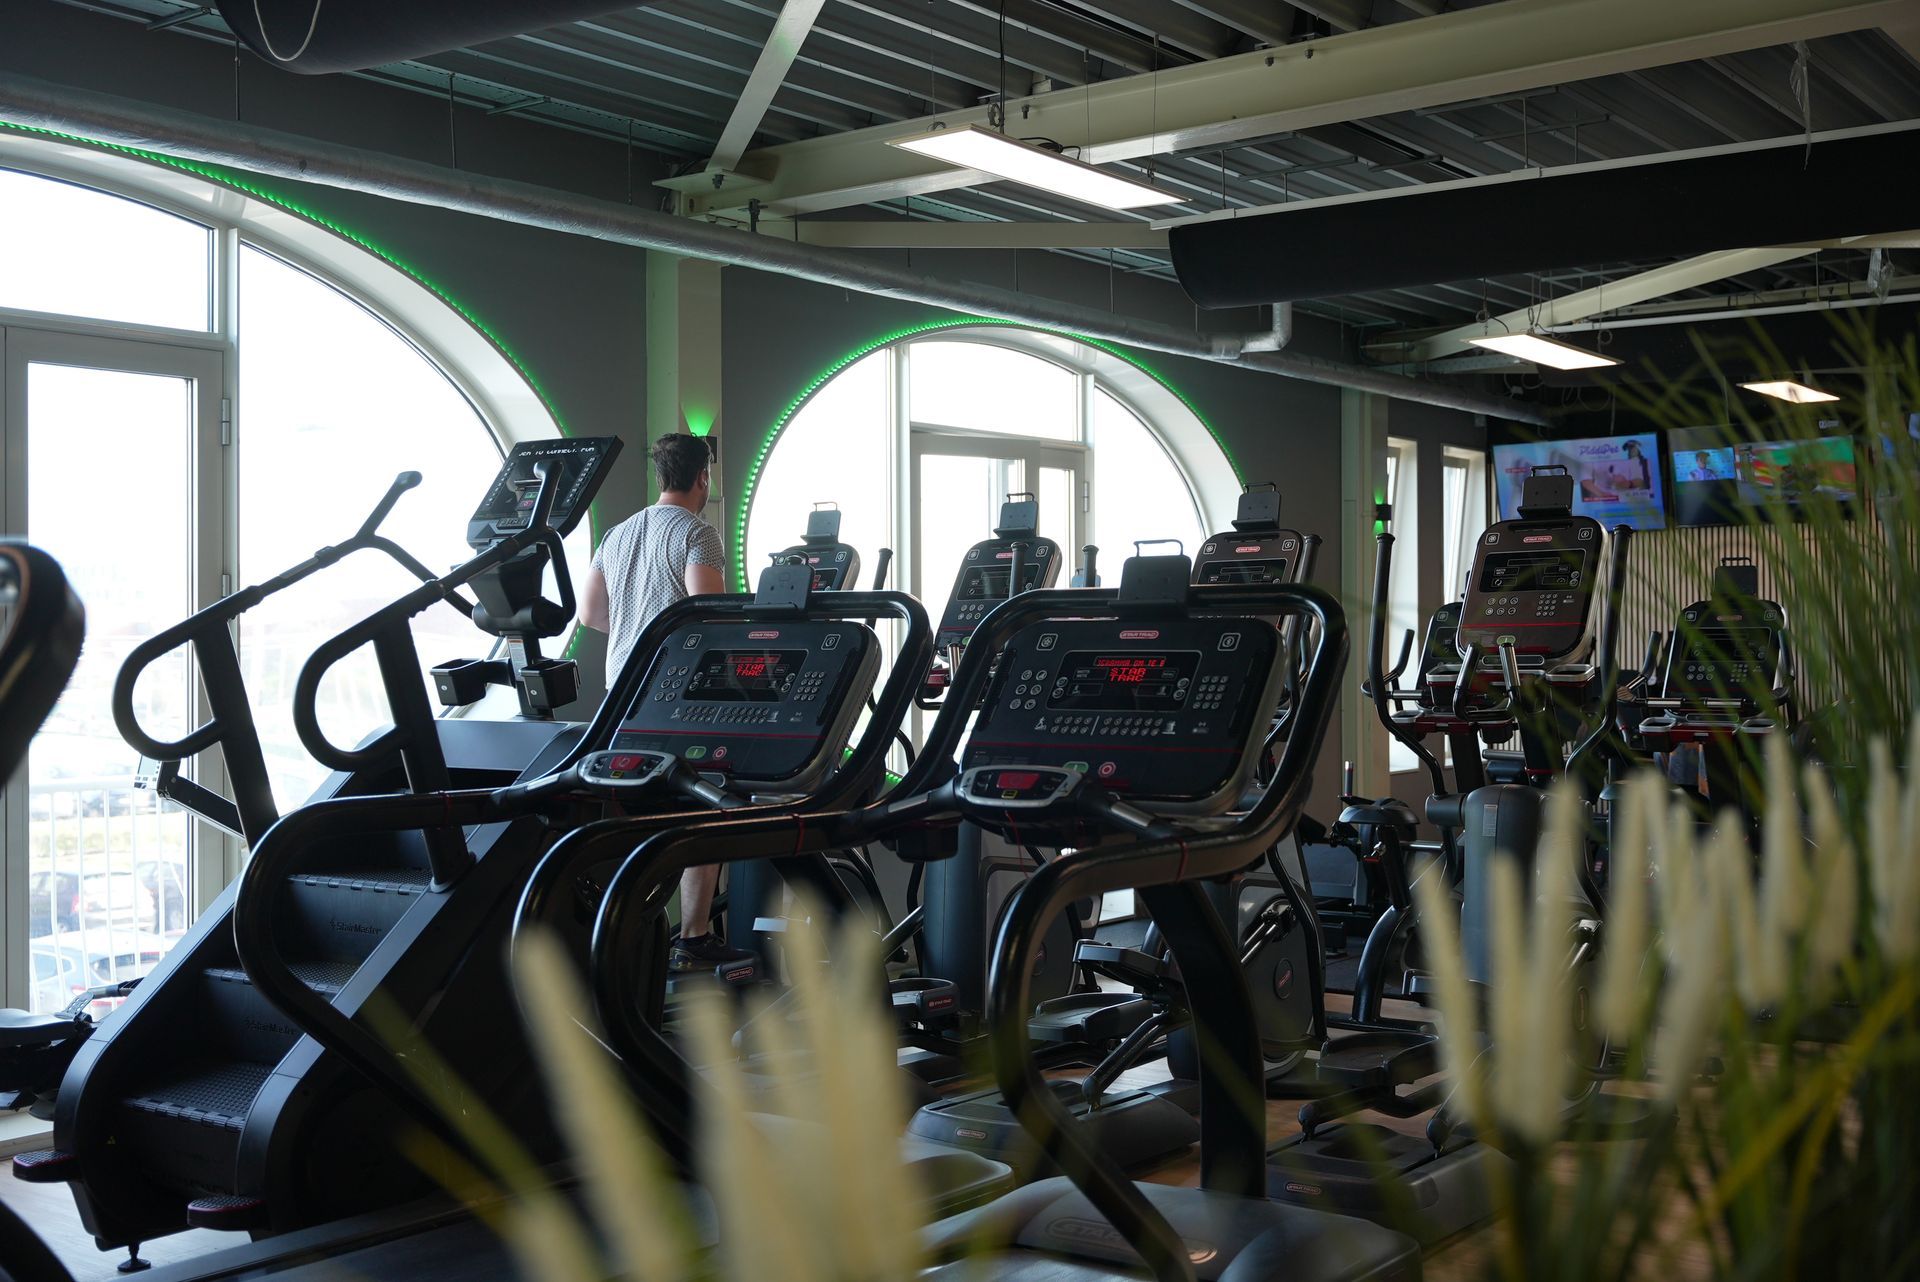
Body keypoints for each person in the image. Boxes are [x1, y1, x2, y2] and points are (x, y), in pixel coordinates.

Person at [578, 433, 751, 973]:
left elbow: (590, 615)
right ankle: (693, 935)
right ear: (703, 478)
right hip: (677, 697)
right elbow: (709, 614)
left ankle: (634, 930)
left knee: (644, 809)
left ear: (660, 476)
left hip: (622, 694)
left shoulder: (617, 534)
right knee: (706, 803)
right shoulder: (699, 534)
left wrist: (635, 638)